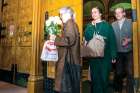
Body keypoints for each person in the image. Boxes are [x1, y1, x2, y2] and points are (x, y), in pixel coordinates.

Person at [84, 6, 117, 93]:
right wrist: (91, 27)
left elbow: (112, 41)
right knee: (95, 79)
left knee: (104, 78)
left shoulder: (107, 26)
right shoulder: (89, 26)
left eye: (95, 12)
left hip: (105, 57)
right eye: (92, 12)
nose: (93, 14)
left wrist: (113, 55)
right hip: (94, 57)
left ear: (100, 14)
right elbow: (87, 37)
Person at [53, 7, 80, 93]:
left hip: (67, 61)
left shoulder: (69, 23)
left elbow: (69, 40)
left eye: (61, 14)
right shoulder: (71, 23)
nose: (60, 17)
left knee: (66, 87)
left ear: (67, 14)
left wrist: (55, 39)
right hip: (69, 60)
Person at [112, 7, 134, 93]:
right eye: (116, 13)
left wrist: (129, 40)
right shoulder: (113, 25)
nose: (117, 14)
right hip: (118, 52)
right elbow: (111, 39)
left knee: (130, 73)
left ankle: (130, 91)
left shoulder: (131, 22)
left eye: (119, 12)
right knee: (118, 73)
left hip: (129, 51)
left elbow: (136, 35)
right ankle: (118, 90)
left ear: (124, 13)